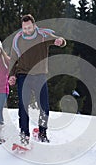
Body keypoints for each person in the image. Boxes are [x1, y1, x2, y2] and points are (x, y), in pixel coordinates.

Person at [8, 14, 66, 147]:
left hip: (40, 75)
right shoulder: (18, 40)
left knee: (44, 107)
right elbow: (13, 59)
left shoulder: (43, 35)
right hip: (23, 75)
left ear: (34, 26)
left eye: (29, 28)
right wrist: (11, 75)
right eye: (24, 28)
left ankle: (42, 133)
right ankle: (24, 135)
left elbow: (60, 40)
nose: (27, 31)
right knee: (23, 107)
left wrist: (60, 41)